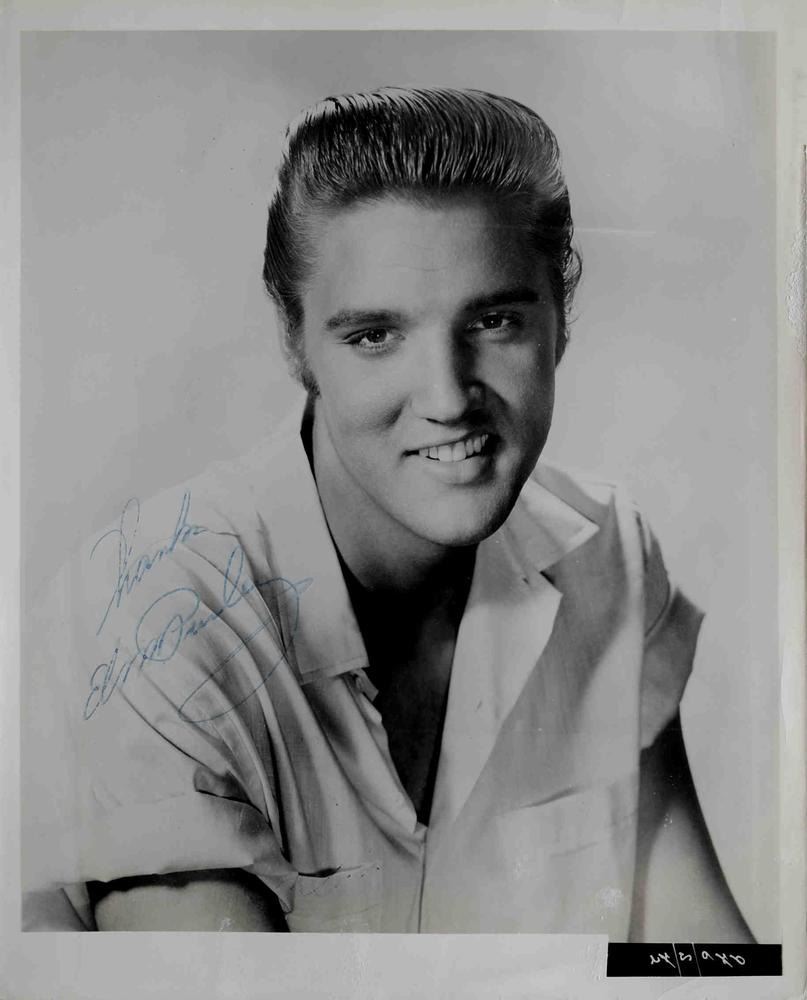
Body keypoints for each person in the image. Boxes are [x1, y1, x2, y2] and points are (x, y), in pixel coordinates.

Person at [22, 86, 752, 937]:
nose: (446, 397)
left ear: (560, 321)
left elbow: (701, 965)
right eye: (374, 336)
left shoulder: (604, 553)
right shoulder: (152, 617)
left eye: (494, 321)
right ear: (295, 343)